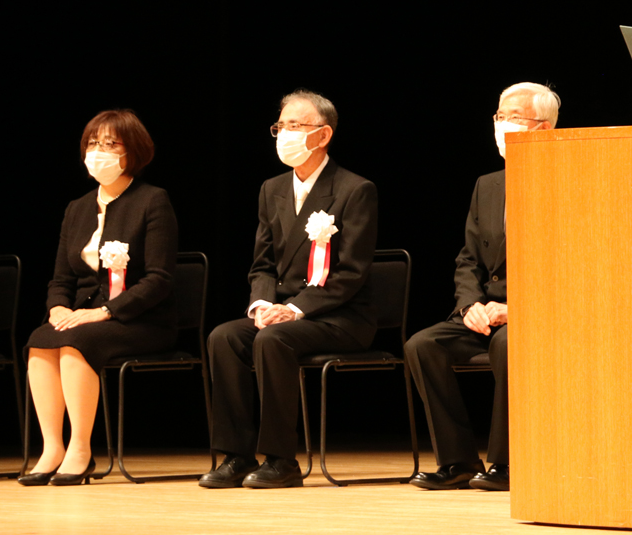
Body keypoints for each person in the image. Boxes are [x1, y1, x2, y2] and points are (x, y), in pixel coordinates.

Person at [199, 89, 378, 489]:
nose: (285, 134)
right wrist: (262, 303)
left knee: (273, 340)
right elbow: (262, 263)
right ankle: (236, 455)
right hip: (283, 311)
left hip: (341, 316)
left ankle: (281, 459)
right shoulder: (271, 189)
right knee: (224, 337)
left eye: (297, 126)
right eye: (281, 126)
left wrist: (295, 309)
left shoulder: (354, 189)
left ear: (324, 135)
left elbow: (350, 273)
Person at [405, 82, 558, 491]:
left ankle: (506, 464)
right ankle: (457, 461)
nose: (501, 125)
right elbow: (468, 259)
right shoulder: (487, 184)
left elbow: (567, 265)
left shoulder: (568, 180)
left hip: (537, 313)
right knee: (423, 344)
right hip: (485, 311)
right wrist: (469, 304)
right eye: (499, 117)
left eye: (513, 118)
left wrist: (518, 308)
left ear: (542, 130)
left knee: (508, 343)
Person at [20, 109, 177, 486]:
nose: (98, 152)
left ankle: (80, 449)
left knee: (76, 341)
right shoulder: (77, 208)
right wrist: (58, 307)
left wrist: (105, 312)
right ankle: (52, 447)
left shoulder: (153, 201)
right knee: (41, 338)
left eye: (110, 144)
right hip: (83, 316)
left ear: (132, 151)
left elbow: (159, 279)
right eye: (93, 143)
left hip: (141, 319)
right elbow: (61, 278)